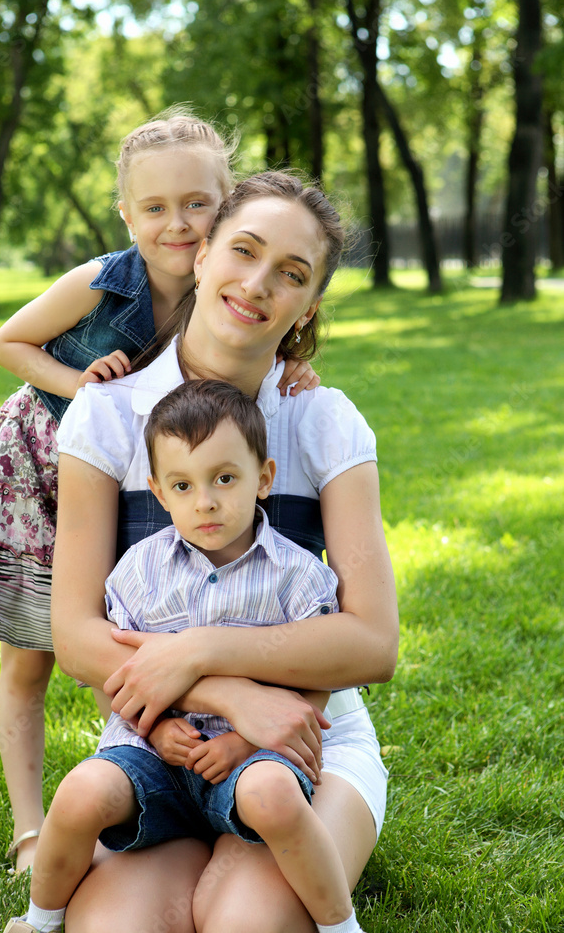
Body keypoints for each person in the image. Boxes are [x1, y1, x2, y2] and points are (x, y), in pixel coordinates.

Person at [0, 112, 318, 873]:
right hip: (41, 462)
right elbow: (6, 343)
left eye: (197, 203)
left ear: (227, 203)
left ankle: (144, 762)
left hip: (145, 469)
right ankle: (31, 828)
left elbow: (266, 335)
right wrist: (80, 384)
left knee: (131, 611)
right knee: (35, 653)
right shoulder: (102, 279)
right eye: (154, 208)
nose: (178, 223)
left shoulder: (226, 283)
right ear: (127, 214)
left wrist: (297, 366)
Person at [50, 170, 399, 933]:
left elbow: (372, 642)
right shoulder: (105, 417)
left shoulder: (325, 424)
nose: (257, 283)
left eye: (292, 274)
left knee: (246, 924)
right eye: (243, 250)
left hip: (303, 741)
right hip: (156, 740)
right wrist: (224, 692)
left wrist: (202, 648)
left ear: (307, 307)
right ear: (201, 254)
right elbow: (75, 636)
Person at [4, 378, 368, 933]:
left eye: (225, 478)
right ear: (156, 489)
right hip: (154, 751)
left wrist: (247, 740)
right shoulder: (137, 573)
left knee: (273, 794)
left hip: (251, 755)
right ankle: (36, 920)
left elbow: (319, 677)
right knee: (80, 791)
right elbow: (115, 670)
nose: (206, 502)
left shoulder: (297, 574)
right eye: (182, 484)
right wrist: (150, 731)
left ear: (264, 478)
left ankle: (340, 925)